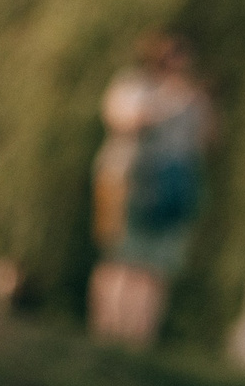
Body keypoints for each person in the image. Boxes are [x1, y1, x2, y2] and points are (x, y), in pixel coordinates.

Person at [90, 33, 211, 348]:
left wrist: (196, 104)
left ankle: (139, 338)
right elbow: (122, 120)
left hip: (171, 188)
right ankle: (107, 332)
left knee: (155, 265)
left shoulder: (191, 98)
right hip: (125, 178)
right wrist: (164, 106)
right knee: (119, 256)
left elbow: (206, 140)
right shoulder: (132, 86)